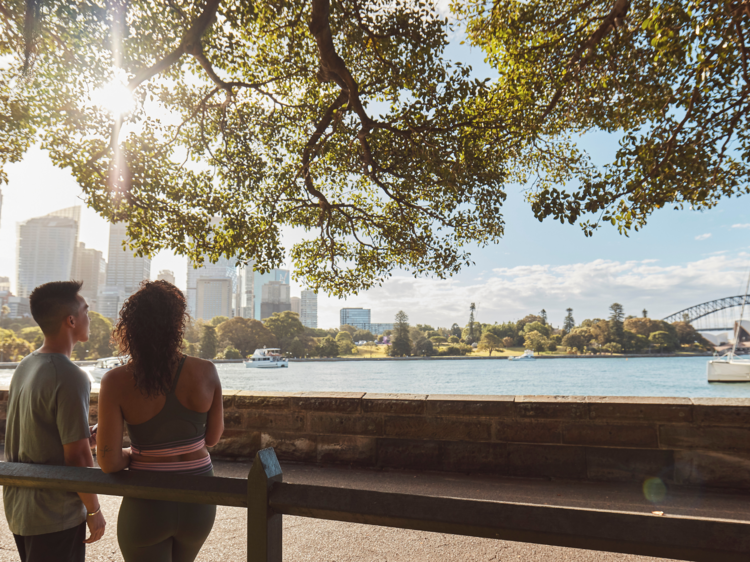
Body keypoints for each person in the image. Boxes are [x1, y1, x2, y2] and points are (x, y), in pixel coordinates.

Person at [96, 280, 224, 562]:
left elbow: (109, 462)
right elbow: (212, 439)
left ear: (131, 327)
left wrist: (134, 453)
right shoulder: (206, 371)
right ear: (178, 324)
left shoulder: (116, 381)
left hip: (148, 503)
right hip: (200, 499)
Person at [4, 281, 106, 562]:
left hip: (20, 509)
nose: (90, 315)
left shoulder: (25, 366)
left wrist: (84, 436)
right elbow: (77, 457)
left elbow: (37, 431)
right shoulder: (71, 375)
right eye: (86, 310)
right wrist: (94, 511)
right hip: (54, 513)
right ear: (71, 320)